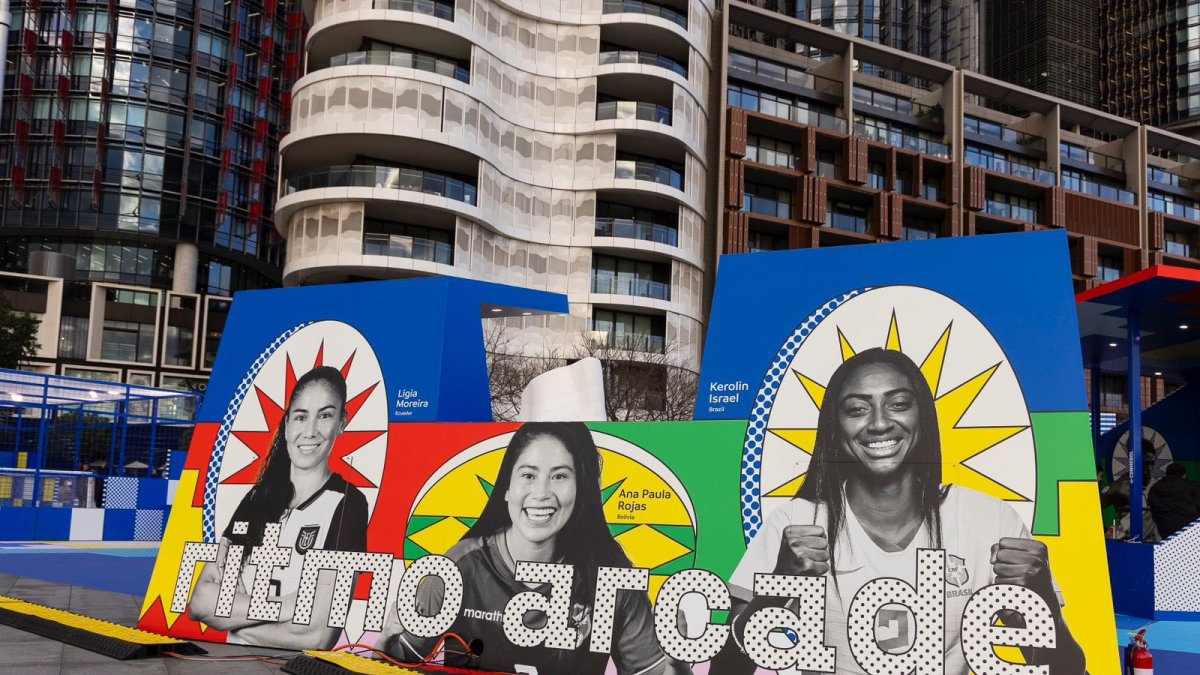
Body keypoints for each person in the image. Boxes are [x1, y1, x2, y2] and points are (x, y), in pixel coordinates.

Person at [716, 348, 1084, 674]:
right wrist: (776, 590)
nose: (878, 423)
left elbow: (1064, 670)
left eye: (898, 404)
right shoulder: (795, 524)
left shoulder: (992, 522)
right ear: (835, 428)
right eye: (857, 409)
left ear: (922, 417)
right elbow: (725, 668)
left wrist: (1042, 603)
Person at [378, 422, 679, 674]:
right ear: (507, 488)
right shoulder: (456, 567)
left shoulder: (610, 576)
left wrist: (678, 656)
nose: (542, 493)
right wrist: (383, 644)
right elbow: (398, 665)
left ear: (581, 489)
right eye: (529, 475)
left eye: (559, 476)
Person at [189, 365, 369, 649]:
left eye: (325, 415)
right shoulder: (257, 499)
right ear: (287, 425)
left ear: (342, 422)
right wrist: (292, 605)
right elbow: (200, 601)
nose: (310, 431)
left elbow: (318, 635)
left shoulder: (348, 504)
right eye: (300, 417)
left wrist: (233, 621)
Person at [1100, 447, 1160, 542]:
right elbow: (1092, 507)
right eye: (1145, 463)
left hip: (1154, 545)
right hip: (1128, 544)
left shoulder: (1158, 486)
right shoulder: (1120, 486)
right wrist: (1104, 530)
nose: (1149, 468)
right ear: (1134, 462)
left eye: (1152, 464)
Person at [1148, 463, 1200, 539]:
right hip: (1190, 530)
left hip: (1166, 529)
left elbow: (1154, 510)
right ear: (1183, 475)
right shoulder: (1192, 486)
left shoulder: (1155, 488)